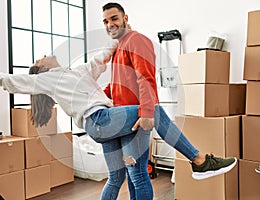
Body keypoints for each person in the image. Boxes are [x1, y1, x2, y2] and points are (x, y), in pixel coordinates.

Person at [0, 43, 236, 199]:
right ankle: (199, 161)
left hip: (105, 125)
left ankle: (199, 162)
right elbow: (13, 81)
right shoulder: (47, 79)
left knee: (118, 177)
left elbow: (100, 58)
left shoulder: (77, 72)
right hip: (100, 121)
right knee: (155, 112)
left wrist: (119, 39)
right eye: (40, 57)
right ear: (42, 66)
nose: (45, 54)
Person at [99, 2, 236, 200]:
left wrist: (146, 113)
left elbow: (145, 77)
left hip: (136, 118)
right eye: (105, 21)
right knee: (132, 174)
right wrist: (94, 97)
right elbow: (117, 84)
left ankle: (199, 160)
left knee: (137, 174)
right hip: (123, 119)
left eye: (113, 19)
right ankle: (199, 160)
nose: (109, 24)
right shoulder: (118, 48)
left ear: (125, 18)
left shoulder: (136, 40)